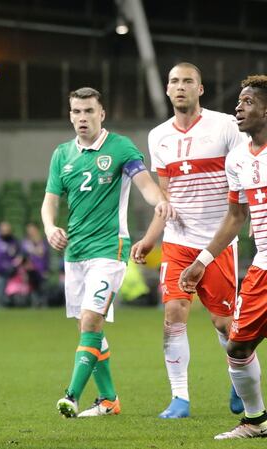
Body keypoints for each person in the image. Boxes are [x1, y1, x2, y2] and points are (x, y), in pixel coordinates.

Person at [41, 87, 174, 418]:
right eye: (76, 111)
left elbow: (144, 184)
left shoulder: (120, 147)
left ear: (102, 114)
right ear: (70, 115)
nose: (82, 118)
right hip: (75, 253)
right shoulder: (62, 154)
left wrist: (159, 202)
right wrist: (50, 227)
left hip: (109, 248)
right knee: (88, 328)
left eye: (89, 111)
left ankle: (71, 395)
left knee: (90, 319)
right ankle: (109, 400)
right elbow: (50, 201)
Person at [131, 62, 247, 418]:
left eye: (188, 81)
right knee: (173, 313)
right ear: (167, 89)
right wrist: (151, 238)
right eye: (174, 81)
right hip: (178, 240)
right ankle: (179, 397)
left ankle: (240, 376)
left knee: (223, 323)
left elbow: (245, 173)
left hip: (218, 241)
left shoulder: (226, 126)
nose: (180, 86)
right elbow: (165, 197)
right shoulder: (158, 136)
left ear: (201, 88)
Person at [179, 75, 267, 439]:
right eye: (239, 101)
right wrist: (201, 261)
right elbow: (235, 216)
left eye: (248, 102)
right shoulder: (237, 160)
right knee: (238, 345)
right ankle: (255, 421)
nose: (238, 107)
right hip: (263, 266)